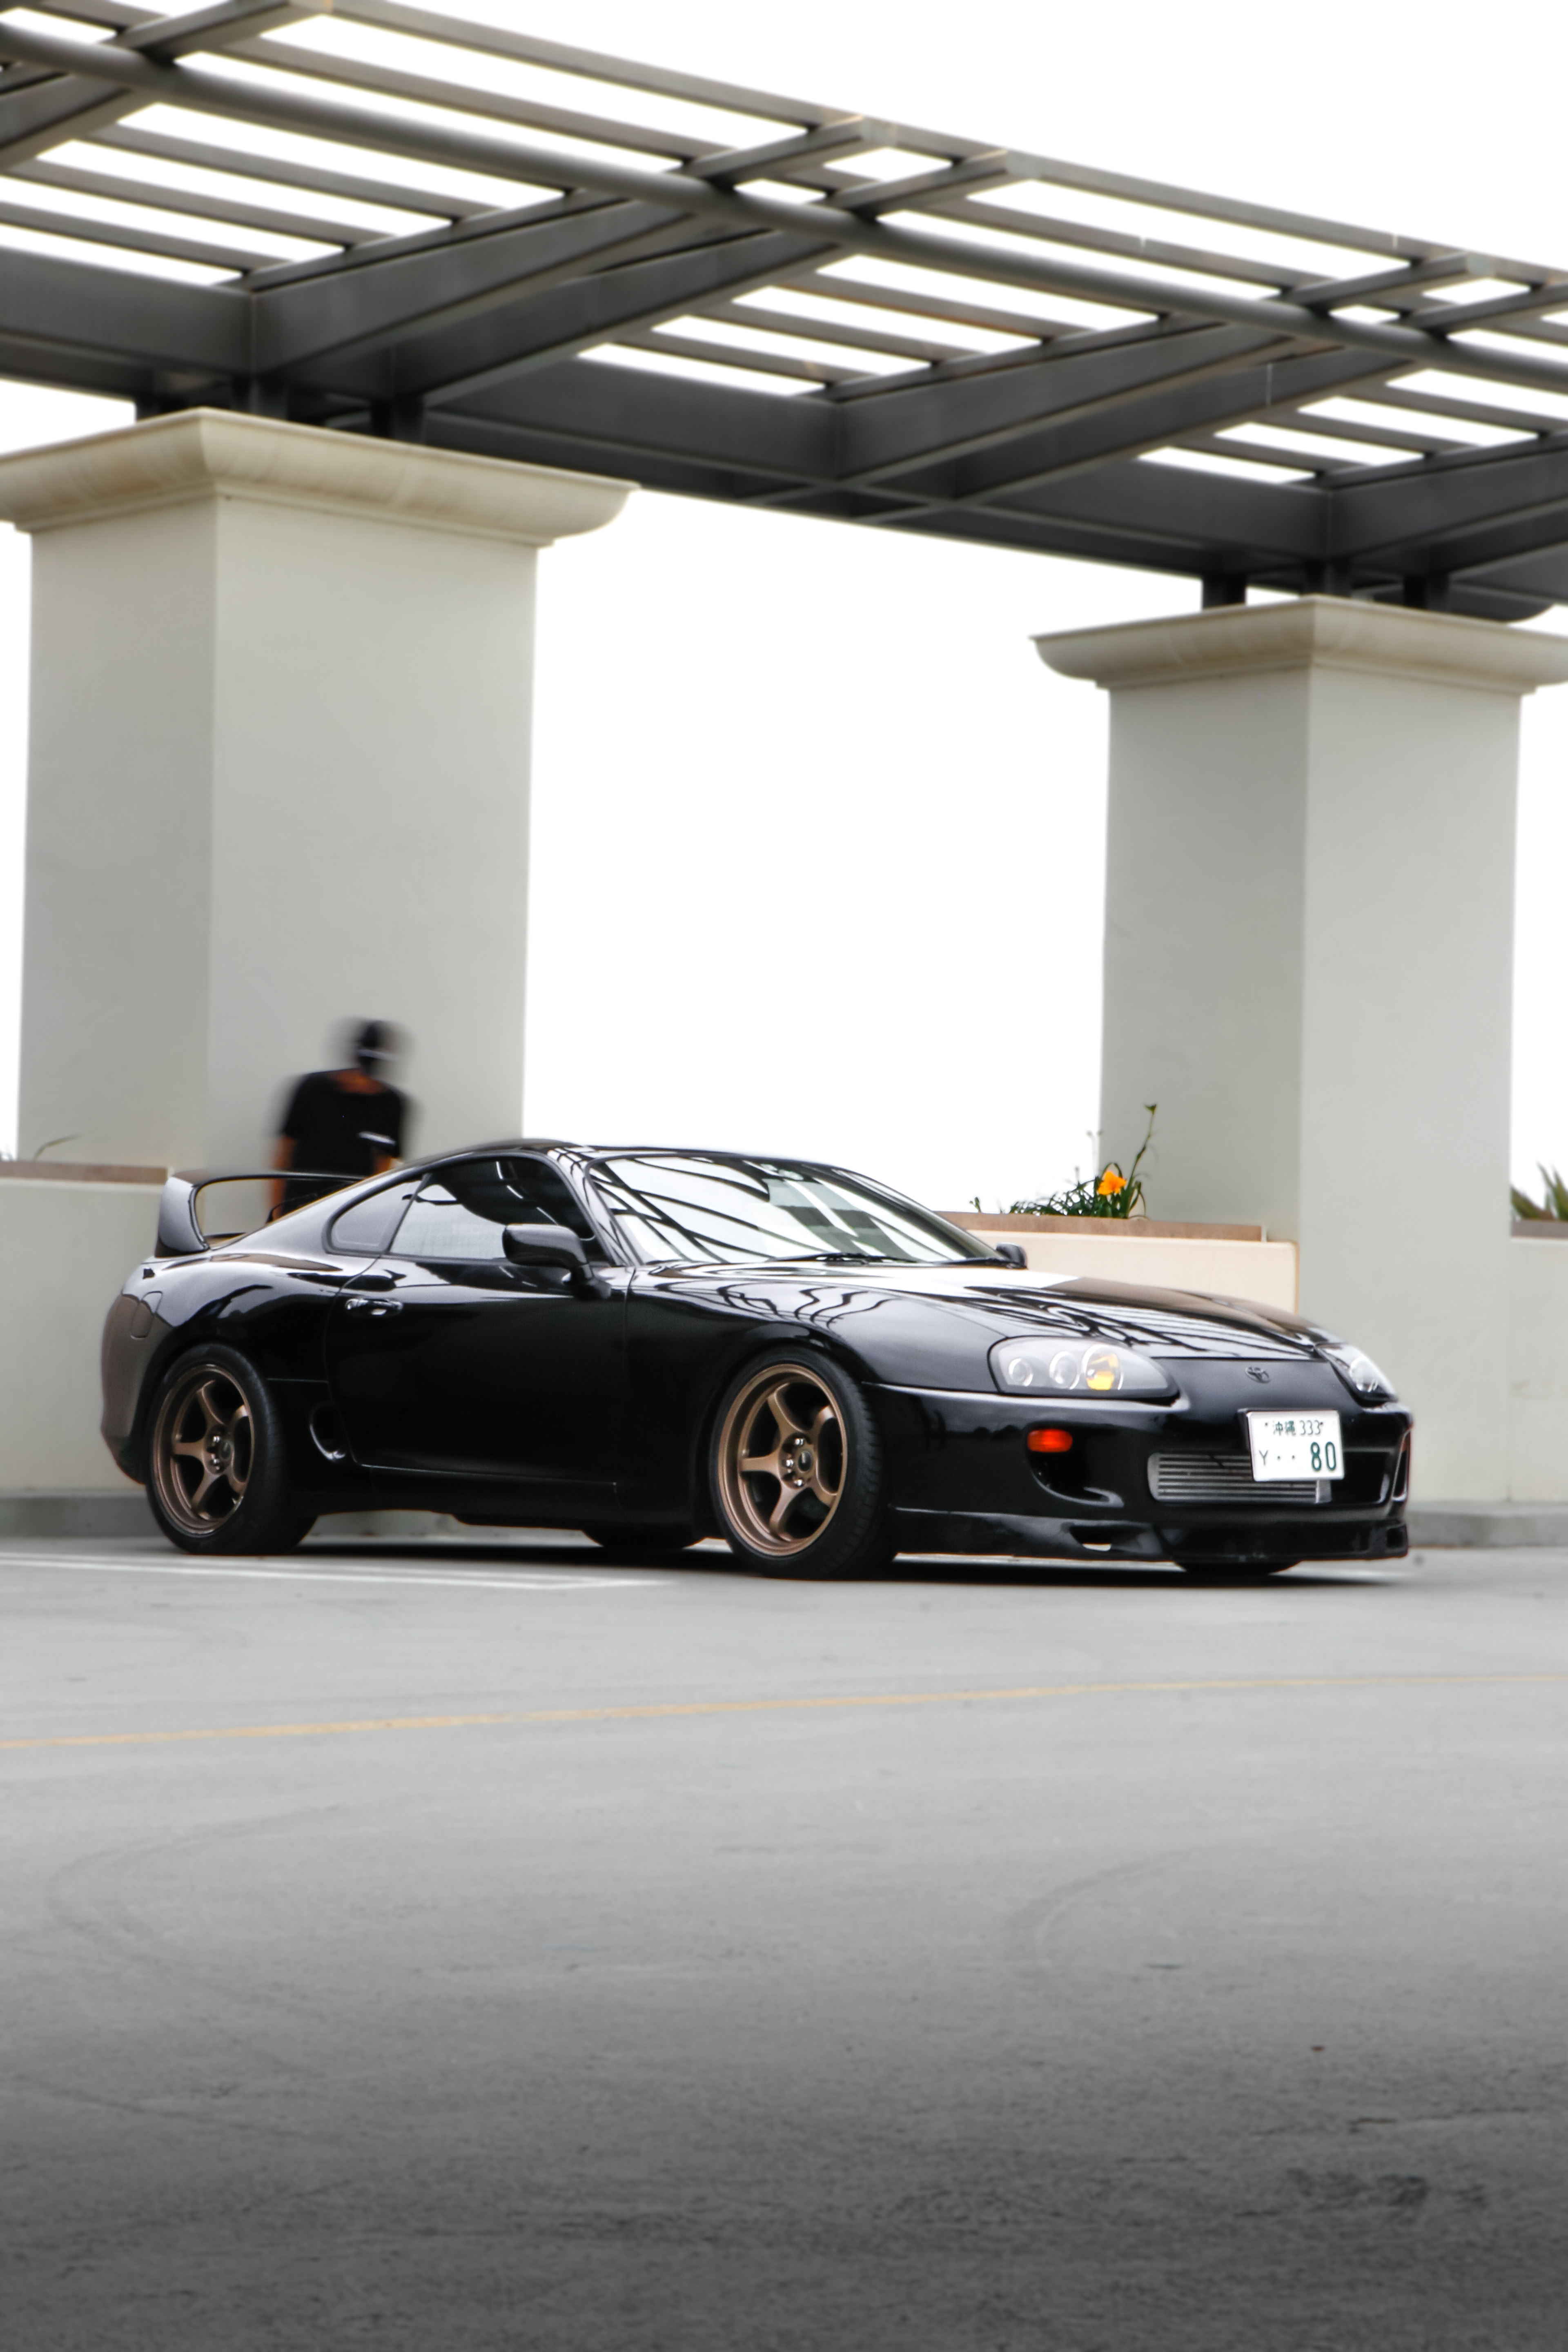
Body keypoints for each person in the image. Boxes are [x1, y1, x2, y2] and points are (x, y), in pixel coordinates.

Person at [273, 1020, 411, 1212]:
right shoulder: (312, 1090)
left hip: (350, 1210)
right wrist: (276, 1212)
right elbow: (283, 1155)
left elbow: (384, 1164)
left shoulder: (391, 1104)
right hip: (301, 1207)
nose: (363, 1082)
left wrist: (371, 1210)